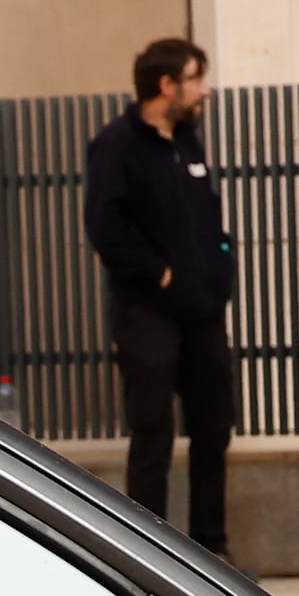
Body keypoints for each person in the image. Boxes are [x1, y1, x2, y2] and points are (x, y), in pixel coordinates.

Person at [82, 37, 232, 555]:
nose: (204, 91)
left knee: (214, 429)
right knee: (154, 434)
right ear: (166, 85)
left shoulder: (188, 142)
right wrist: (158, 273)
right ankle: (152, 553)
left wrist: (219, 269)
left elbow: (207, 217)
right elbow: (105, 226)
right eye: (195, 79)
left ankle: (213, 551)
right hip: (147, 313)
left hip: (202, 312)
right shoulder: (116, 145)